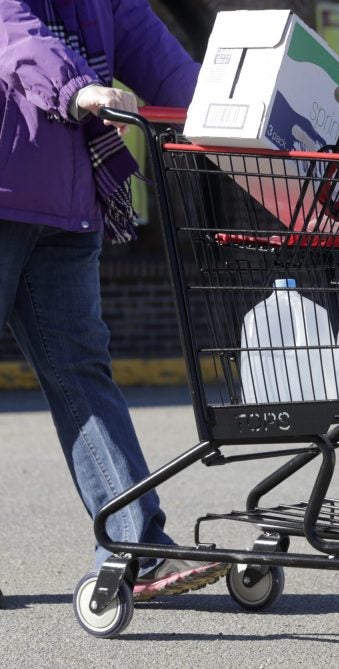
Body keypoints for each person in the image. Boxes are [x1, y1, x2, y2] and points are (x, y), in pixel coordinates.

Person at [0, 0, 227, 602]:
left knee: (83, 373)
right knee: (81, 371)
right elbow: (13, 33)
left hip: (70, 204)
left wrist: (228, 112)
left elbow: (154, 52)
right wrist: (79, 89)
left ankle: (136, 548)